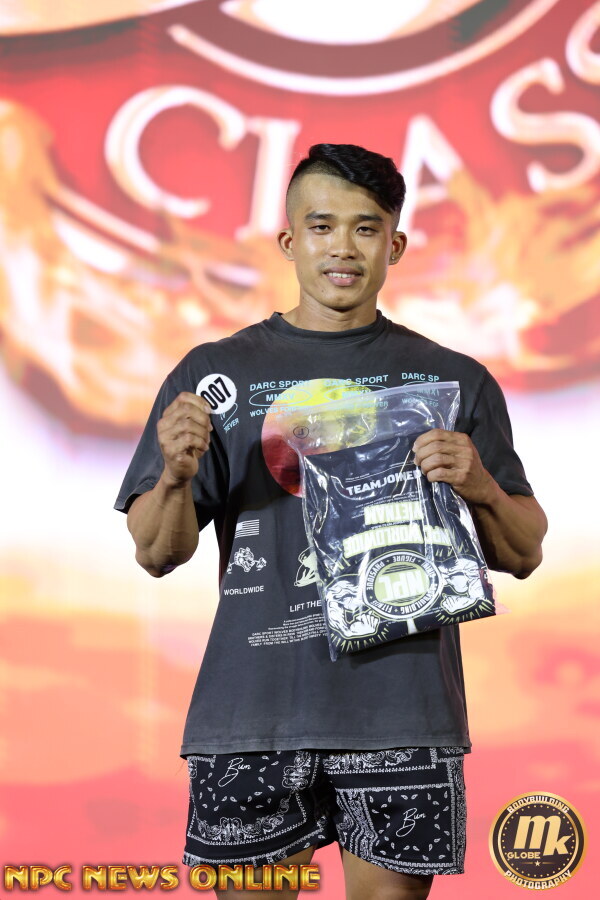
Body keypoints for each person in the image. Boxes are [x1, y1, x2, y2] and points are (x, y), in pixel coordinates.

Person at [115, 143, 547, 899]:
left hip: (401, 712)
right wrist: (177, 476)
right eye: (321, 226)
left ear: (395, 245)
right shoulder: (215, 374)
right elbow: (155, 551)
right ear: (290, 240)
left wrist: (479, 483)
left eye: (365, 228)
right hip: (252, 713)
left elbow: (524, 551)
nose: (342, 247)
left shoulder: (454, 380)